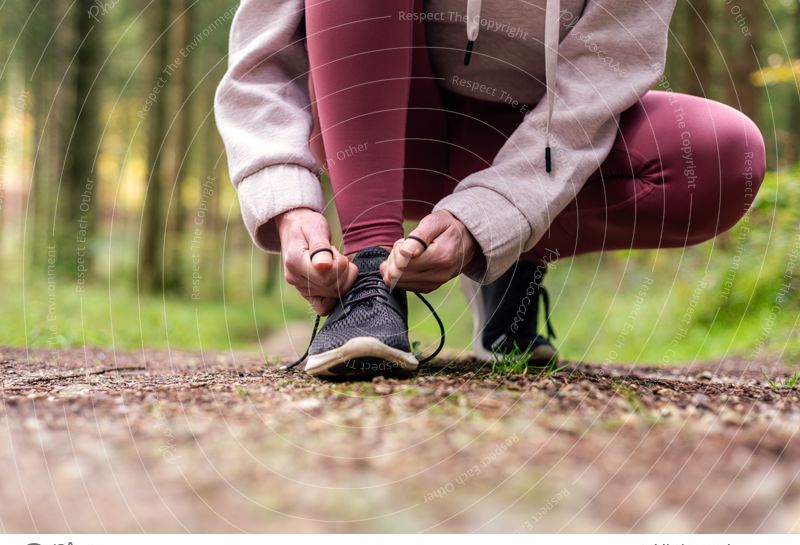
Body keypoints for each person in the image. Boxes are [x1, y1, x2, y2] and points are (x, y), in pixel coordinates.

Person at [215, 0, 766, 377]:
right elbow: (262, 59)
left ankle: (507, 265)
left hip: (533, 136)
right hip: (381, 126)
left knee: (724, 154)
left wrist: (495, 216)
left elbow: (605, 74)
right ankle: (369, 275)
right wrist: (288, 203)